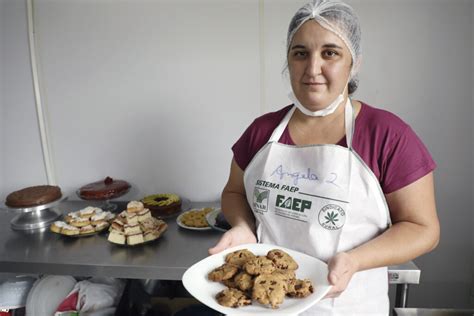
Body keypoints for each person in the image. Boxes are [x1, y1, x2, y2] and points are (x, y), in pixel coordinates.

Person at [209, 0, 440, 314]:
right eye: (300, 53)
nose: (312, 68)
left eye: (330, 53)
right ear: (288, 60)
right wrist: (243, 228)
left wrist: (355, 260)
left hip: (348, 305)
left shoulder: (387, 135)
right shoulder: (262, 131)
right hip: (260, 307)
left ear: (353, 62)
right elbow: (234, 192)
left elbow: (422, 228)